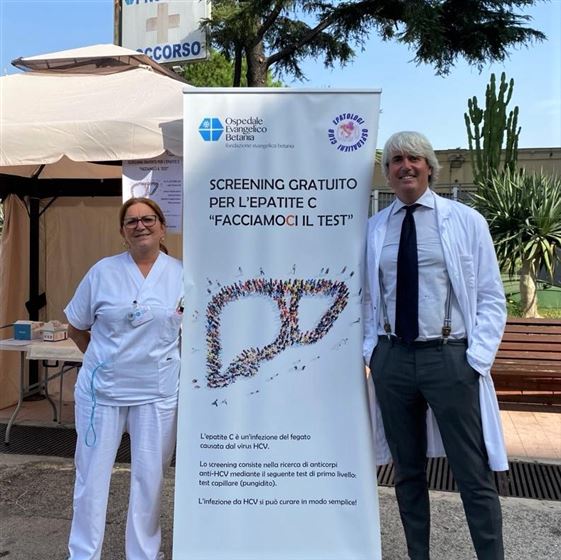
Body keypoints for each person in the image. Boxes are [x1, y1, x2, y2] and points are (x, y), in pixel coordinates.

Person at [363, 131, 508, 560]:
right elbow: (367, 296)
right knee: (407, 473)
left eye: (414, 158)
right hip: (393, 360)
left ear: (430, 167)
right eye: (395, 160)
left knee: (472, 472)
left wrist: (476, 359)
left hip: (449, 359)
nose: (405, 166)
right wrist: (372, 351)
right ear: (387, 172)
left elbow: (490, 295)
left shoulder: (466, 220)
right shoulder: (375, 228)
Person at [65, 197, 183, 560]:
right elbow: (76, 327)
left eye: (148, 219)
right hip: (102, 393)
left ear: (162, 227)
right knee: (91, 478)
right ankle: (83, 554)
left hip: (157, 393)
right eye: (131, 221)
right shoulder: (102, 272)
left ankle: (143, 554)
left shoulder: (182, 274)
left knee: (150, 480)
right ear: (122, 231)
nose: (140, 225)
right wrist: (104, 362)